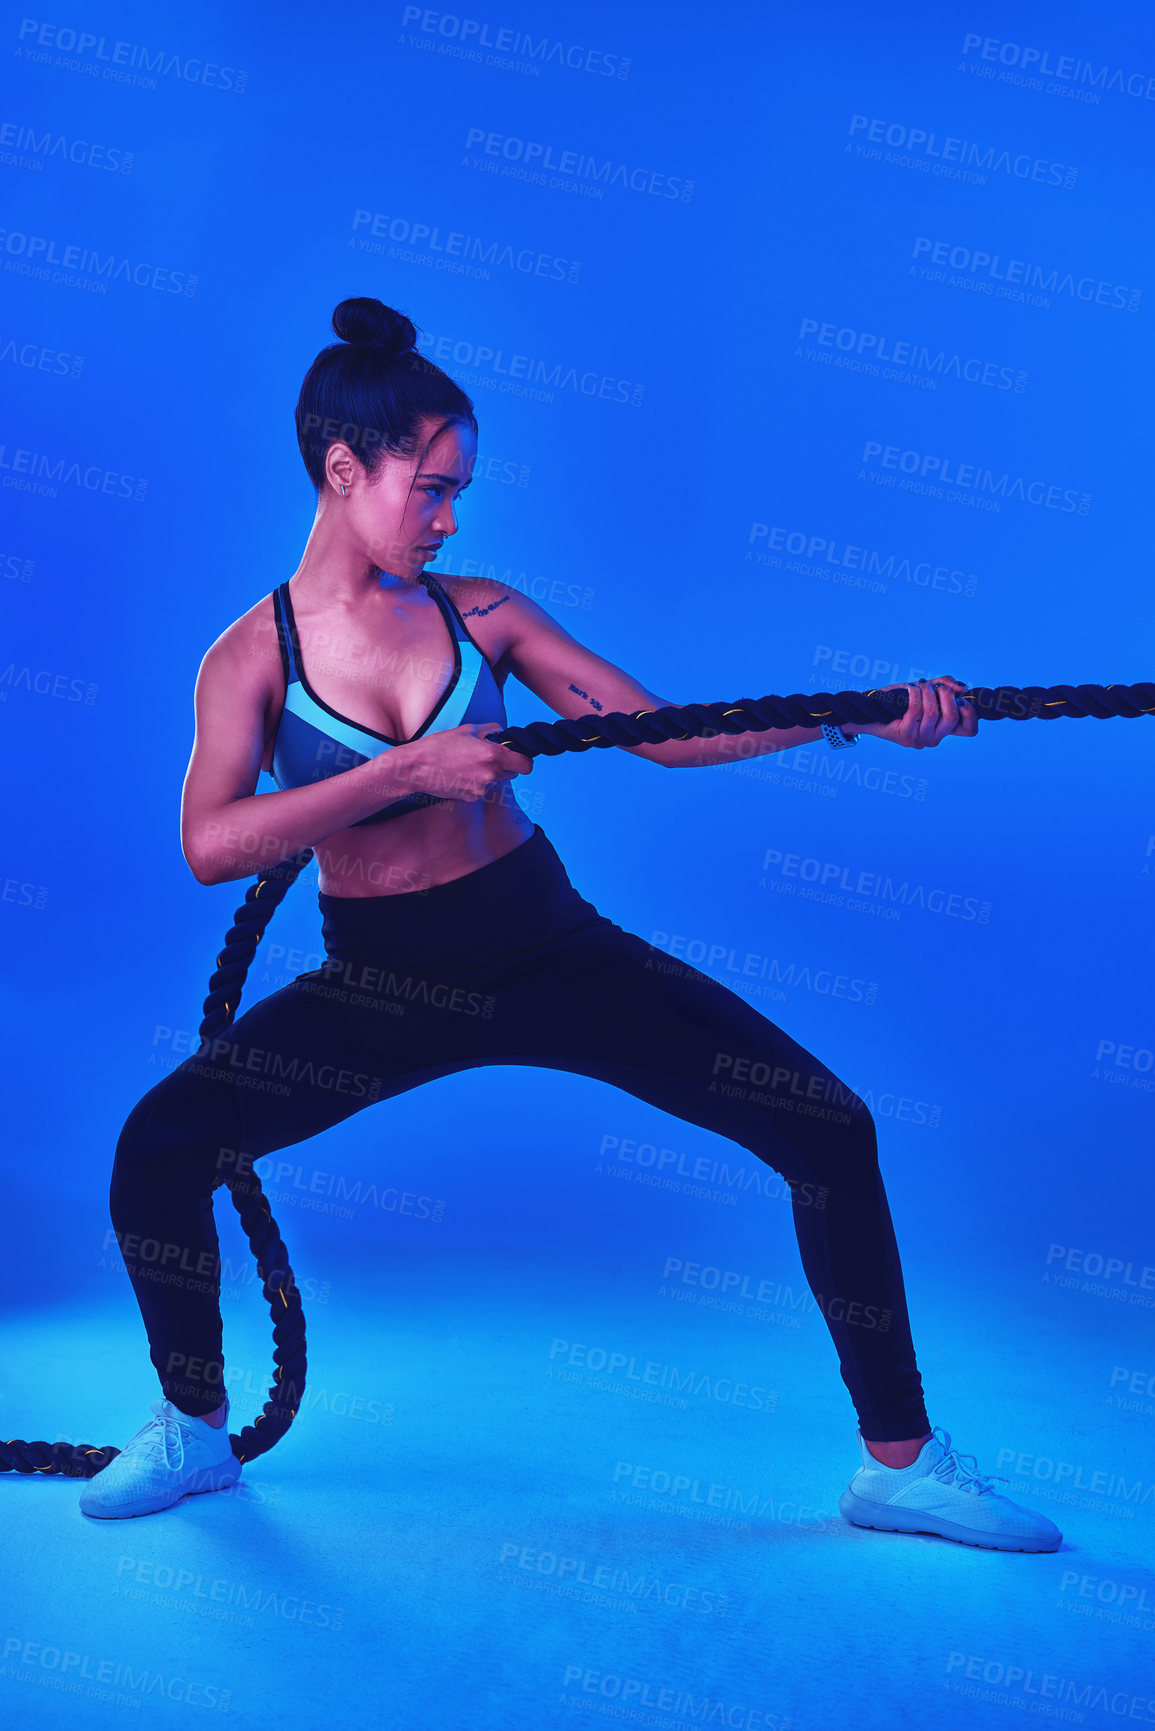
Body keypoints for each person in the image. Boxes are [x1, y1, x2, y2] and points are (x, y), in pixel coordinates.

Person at [81, 296, 1060, 1552]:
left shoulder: (483, 614)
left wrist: (859, 715)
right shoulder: (248, 658)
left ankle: (899, 1467)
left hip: (548, 949)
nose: (449, 519)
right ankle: (196, 1431)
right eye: (430, 488)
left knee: (831, 1126)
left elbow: (668, 734)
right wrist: (401, 775)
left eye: (459, 494)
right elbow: (210, 845)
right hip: (377, 986)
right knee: (158, 1146)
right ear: (342, 469)